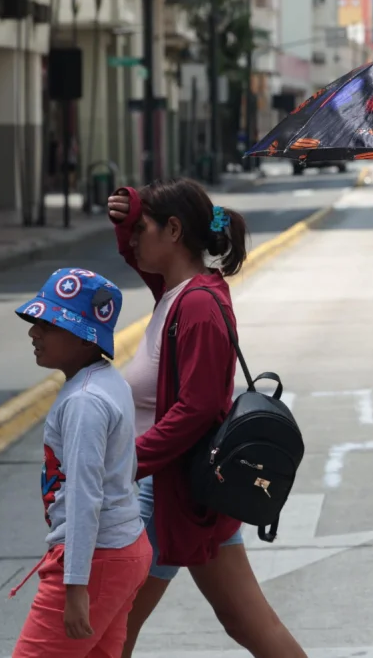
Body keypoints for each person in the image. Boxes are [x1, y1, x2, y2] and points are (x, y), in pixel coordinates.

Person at [105, 180, 306, 658]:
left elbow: (196, 409)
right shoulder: (177, 292)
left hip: (170, 488)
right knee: (244, 622)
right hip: (182, 486)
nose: (134, 240)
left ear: (173, 230)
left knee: (111, 632)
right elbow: (137, 257)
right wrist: (131, 210)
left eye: (144, 229)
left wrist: (127, 463)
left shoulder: (196, 306)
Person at [10, 267, 152, 658]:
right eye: (36, 321)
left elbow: (84, 498)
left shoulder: (84, 401)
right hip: (121, 551)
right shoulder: (107, 381)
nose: (34, 332)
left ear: (87, 338)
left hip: (96, 560)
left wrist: (75, 589)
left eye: (49, 324)